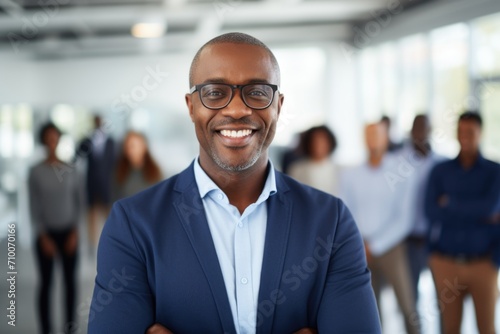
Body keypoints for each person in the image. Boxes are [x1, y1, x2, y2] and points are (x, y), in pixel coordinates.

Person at [88, 32, 380, 333]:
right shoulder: (133, 224)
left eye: (257, 92)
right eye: (215, 92)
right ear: (191, 107)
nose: (237, 109)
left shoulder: (331, 222)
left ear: (278, 106)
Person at [339, 122, 420, 334]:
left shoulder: (402, 170)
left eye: (377, 134)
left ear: (386, 138)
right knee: (370, 309)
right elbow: (346, 210)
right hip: (360, 247)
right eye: (368, 134)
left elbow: (405, 218)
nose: (372, 139)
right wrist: (361, 244)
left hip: (392, 248)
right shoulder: (351, 174)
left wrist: (374, 245)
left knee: (407, 306)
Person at [425, 111, 500, 334]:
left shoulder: (495, 171)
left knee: (487, 327)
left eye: (470, 131)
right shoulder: (440, 171)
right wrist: (479, 212)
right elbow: (431, 211)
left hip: (484, 264)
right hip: (446, 263)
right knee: (450, 329)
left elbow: (490, 208)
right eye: (460, 131)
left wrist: (450, 203)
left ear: (480, 133)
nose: (464, 136)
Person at [29, 122, 81, 334]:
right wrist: (42, 235)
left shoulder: (71, 169)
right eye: (47, 138)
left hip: (69, 234)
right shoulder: (35, 172)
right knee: (46, 284)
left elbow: (80, 202)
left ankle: (69, 328)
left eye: (55, 137)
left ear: (59, 139)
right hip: (46, 236)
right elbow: (33, 206)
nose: (52, 142)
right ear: (43, 141)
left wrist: (76, 233)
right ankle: (46, 329)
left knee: (70, 285)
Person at [398, 114, 444, 302]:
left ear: (430, 131)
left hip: (436, 240)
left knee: (442, 297)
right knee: (410, 298)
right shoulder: (398, 162)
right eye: (416, 128)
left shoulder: (442, 163)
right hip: (409, 240)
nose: (419, 133)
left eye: (424, 128)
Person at [76, 115, 115, 247]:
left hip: (107, 185)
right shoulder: (88, 140)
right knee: (91, 217)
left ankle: (111, 242)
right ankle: (92, 245)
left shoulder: (110, 141)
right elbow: (78, 154)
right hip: (91, 184)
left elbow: (114, 163)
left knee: (109, 216)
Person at [288, 125, 339, 195]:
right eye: (315, 141)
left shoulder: (339, 170)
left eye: (322, 141)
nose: (318, 145)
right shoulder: (297, 168)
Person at [114, 131, 163, 199]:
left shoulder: (154, 171)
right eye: (127, 146)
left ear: (143, 147)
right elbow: (114, 198)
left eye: (133, 146)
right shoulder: (120, 171)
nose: (130, 150)